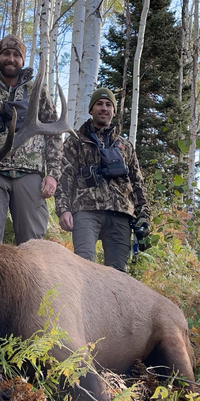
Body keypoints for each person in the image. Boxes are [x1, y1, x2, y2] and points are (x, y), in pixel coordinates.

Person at [0, 35, 62, 245]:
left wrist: (53, 175)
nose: (11, 59)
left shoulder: (37, 90)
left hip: (30, 174)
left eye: (16, 55)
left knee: (33, 246)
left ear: (22, 60)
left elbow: (53, 133)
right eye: (6, 54)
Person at [54, 87, 150, 272]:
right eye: (99, 104)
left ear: (114, 111)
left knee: (118, 275)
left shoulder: (125, 146)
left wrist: (144, 216)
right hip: (85, 210)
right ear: (91, 110)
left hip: (120, 213)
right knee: (84, 267)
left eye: (108, 105)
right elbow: (64, 177)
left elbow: (138, 183)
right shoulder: (75, 141)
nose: (104, 108)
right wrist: (63, 210)